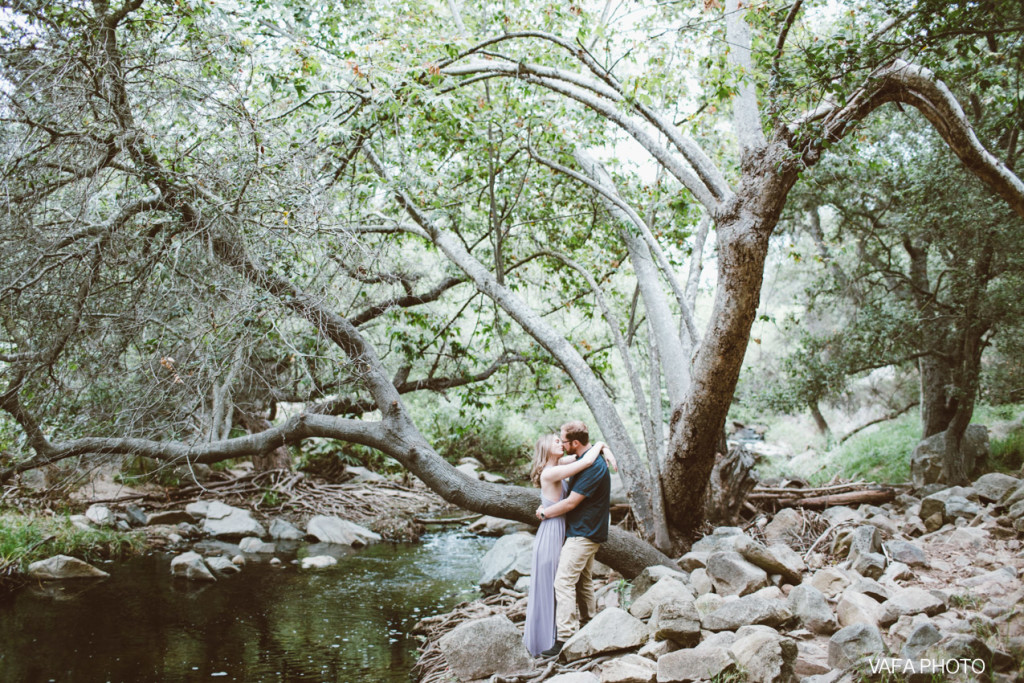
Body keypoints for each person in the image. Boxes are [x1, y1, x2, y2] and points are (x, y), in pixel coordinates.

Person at [522, 432, 613, 657]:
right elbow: (587, 461)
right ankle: (551, 637)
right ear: (545, 448)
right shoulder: (551, 471)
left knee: (571, 581)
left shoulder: (560, 463)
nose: (561, 444)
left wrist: (603, 447)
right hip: (553, 530)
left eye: (561, 440)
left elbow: (586, 455)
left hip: (563, 529)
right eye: (555, 441)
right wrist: (601, 443)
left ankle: (569, 630)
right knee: (555, 583)